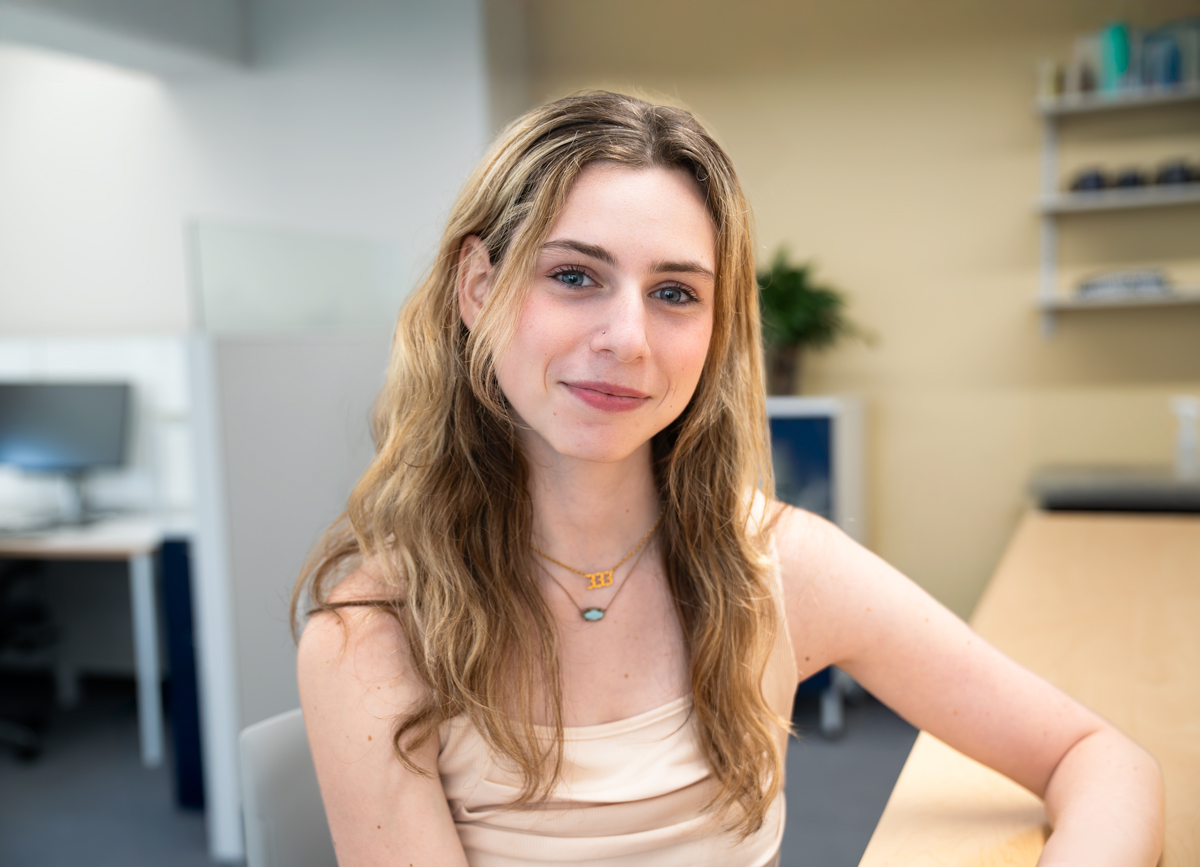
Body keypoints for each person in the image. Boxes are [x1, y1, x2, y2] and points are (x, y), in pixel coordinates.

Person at [293, 91, 1163, 867]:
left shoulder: (777, 566)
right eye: (574, 276)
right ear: (479, 286)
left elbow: (1098, 757)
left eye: (675, 293)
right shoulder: (373, 635)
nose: (627, 338)